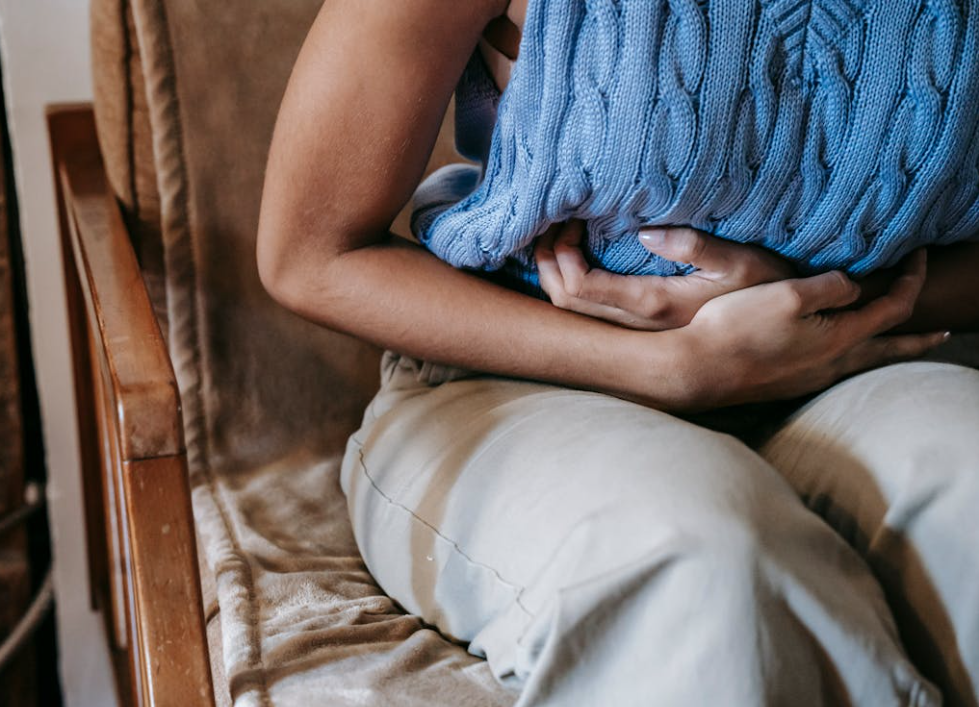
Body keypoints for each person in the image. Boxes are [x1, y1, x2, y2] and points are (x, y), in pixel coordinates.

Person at [256, 1, 979, 704]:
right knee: (706, 566)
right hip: (521, 381)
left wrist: (811, 298)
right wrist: (666, 369)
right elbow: (310, 254)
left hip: (856, 361)